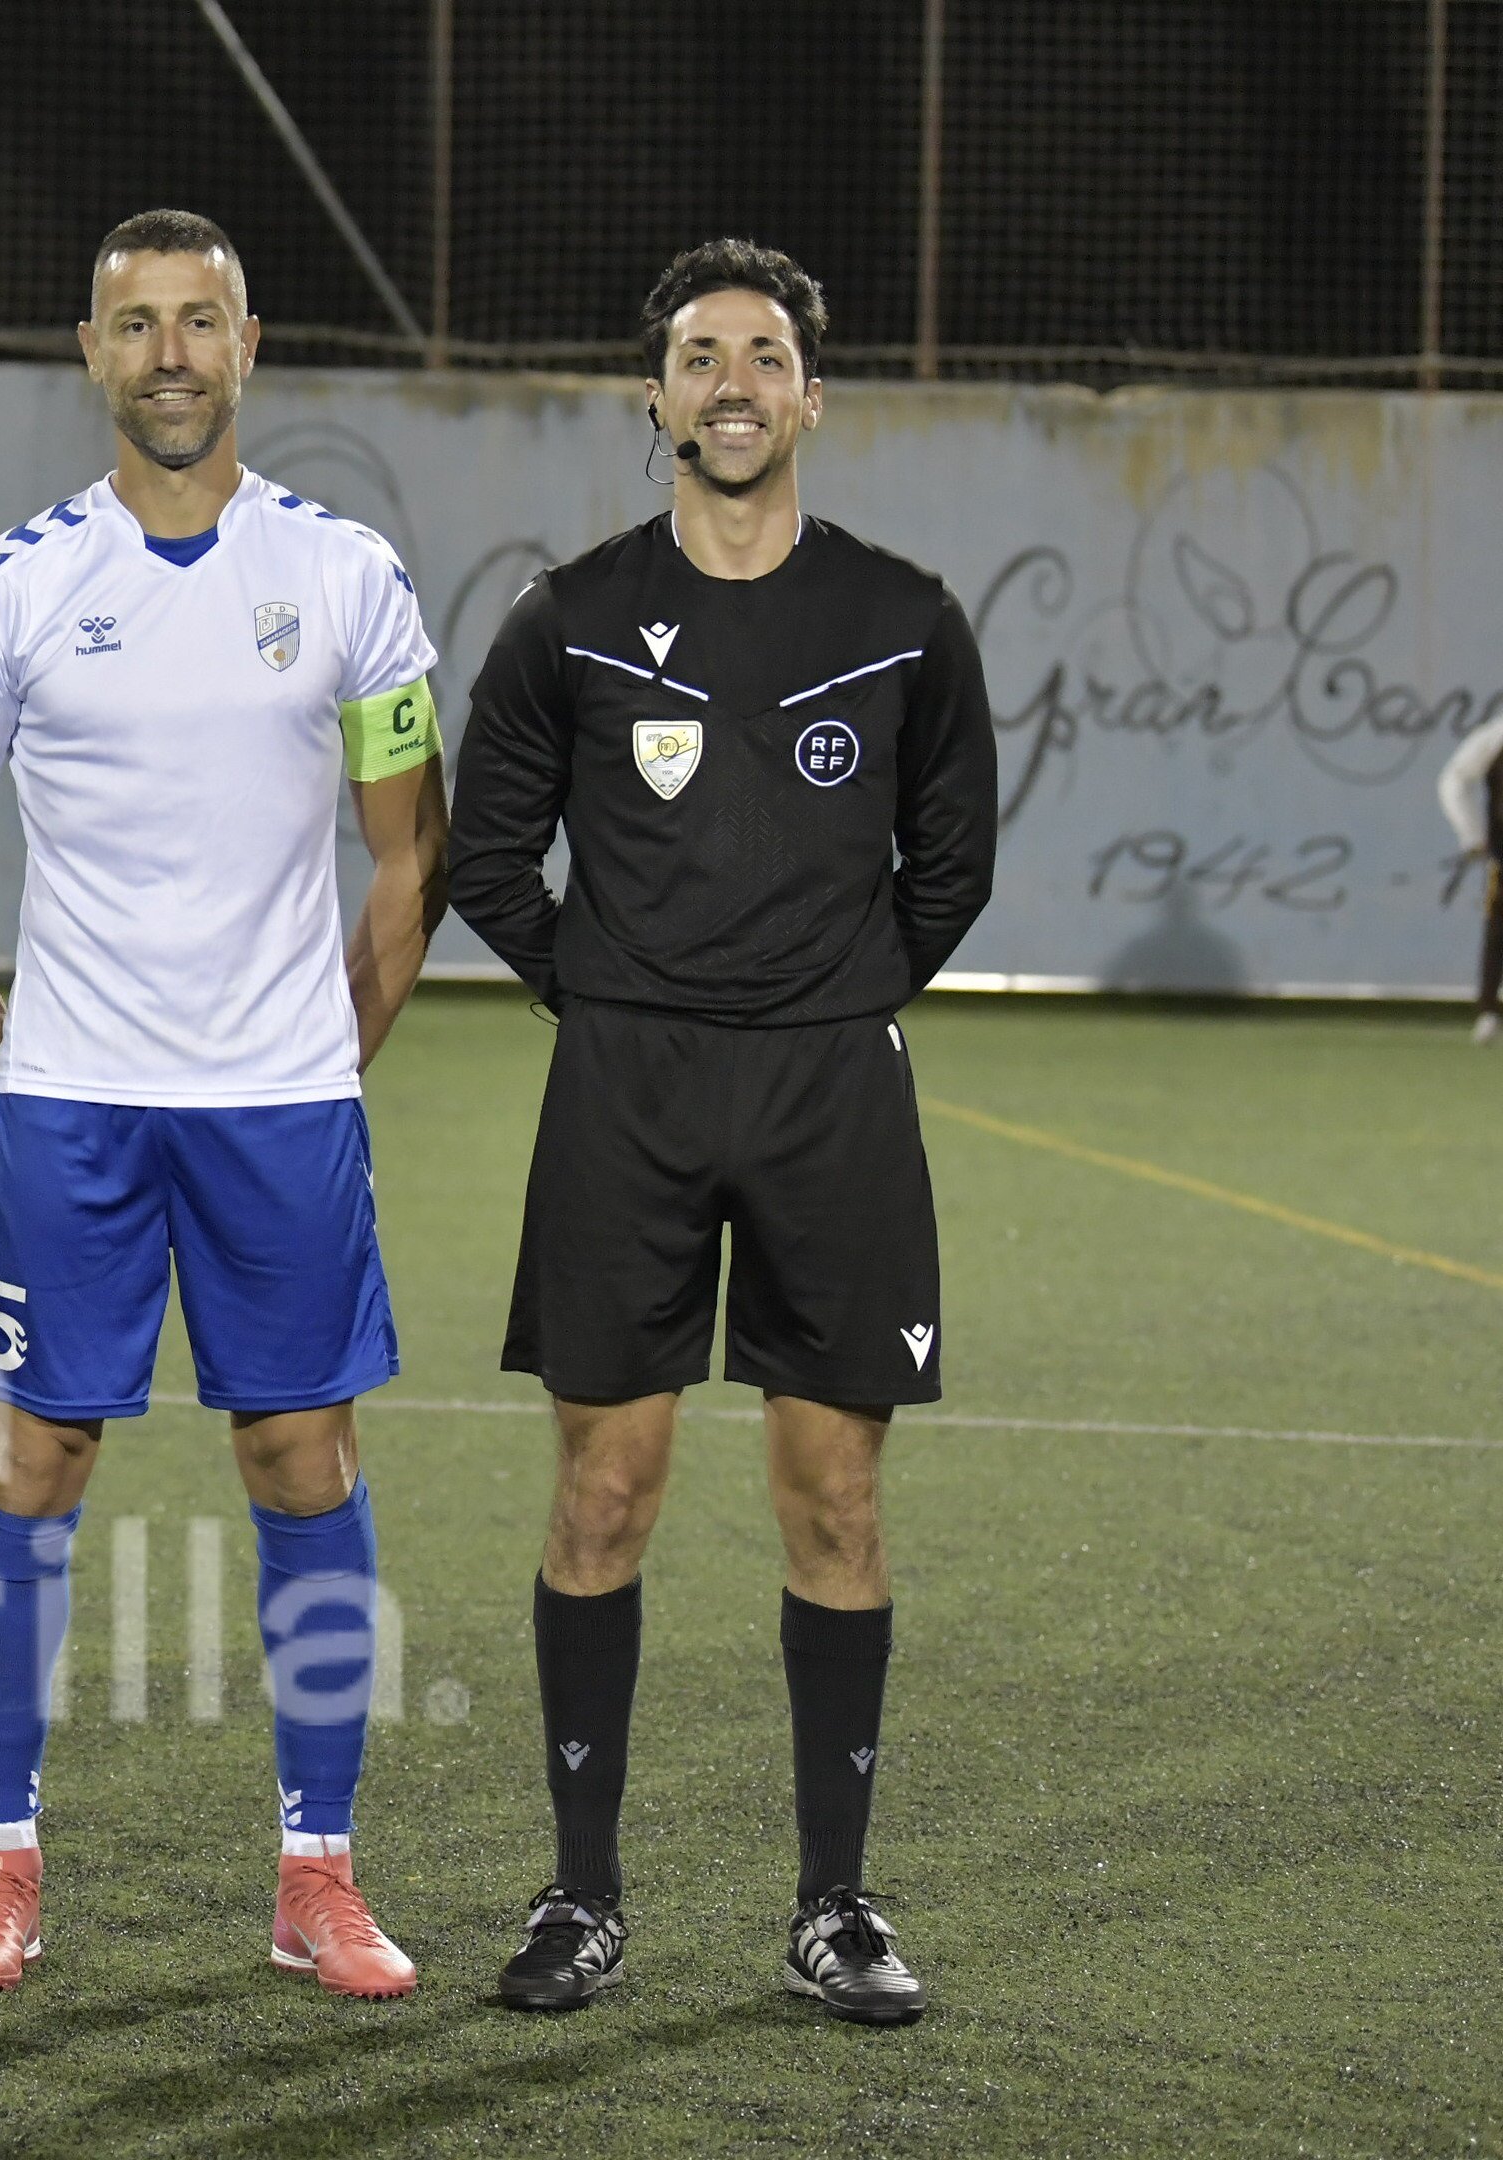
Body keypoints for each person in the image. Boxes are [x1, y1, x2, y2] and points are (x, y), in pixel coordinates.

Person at [0, 210, 450, 2002]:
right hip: (76, 1112)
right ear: (92, 349)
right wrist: (13, 1056)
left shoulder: (350, 576)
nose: (173, 355)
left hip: (280, 1112)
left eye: (201, 322)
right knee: (32, 1461)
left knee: (303, 1457)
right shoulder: (13, 582)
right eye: (139, 325)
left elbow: (407, 850)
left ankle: (319, 1874)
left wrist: (331, 1047)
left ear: (250, 342)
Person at [448, 240, 996, 2025]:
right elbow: (486, 855)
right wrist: (613, 1003)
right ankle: (583, 1898)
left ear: (811, 397)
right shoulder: (573, 613)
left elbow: (953, 864)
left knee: (833, 1489)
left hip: (834, 1090)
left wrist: (825, 999)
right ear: (659, 398)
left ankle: (835, 1908)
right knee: (605, 1485)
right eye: (703, 356)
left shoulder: (904, 615)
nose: (736, 383)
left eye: (766, 355)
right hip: (630, 1094)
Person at [1438, 710, 1503, 1042]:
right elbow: (1454, 779)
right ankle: (1488, 1011)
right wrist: (1472, 834)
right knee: (1497, 928)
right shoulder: (1495, 738)